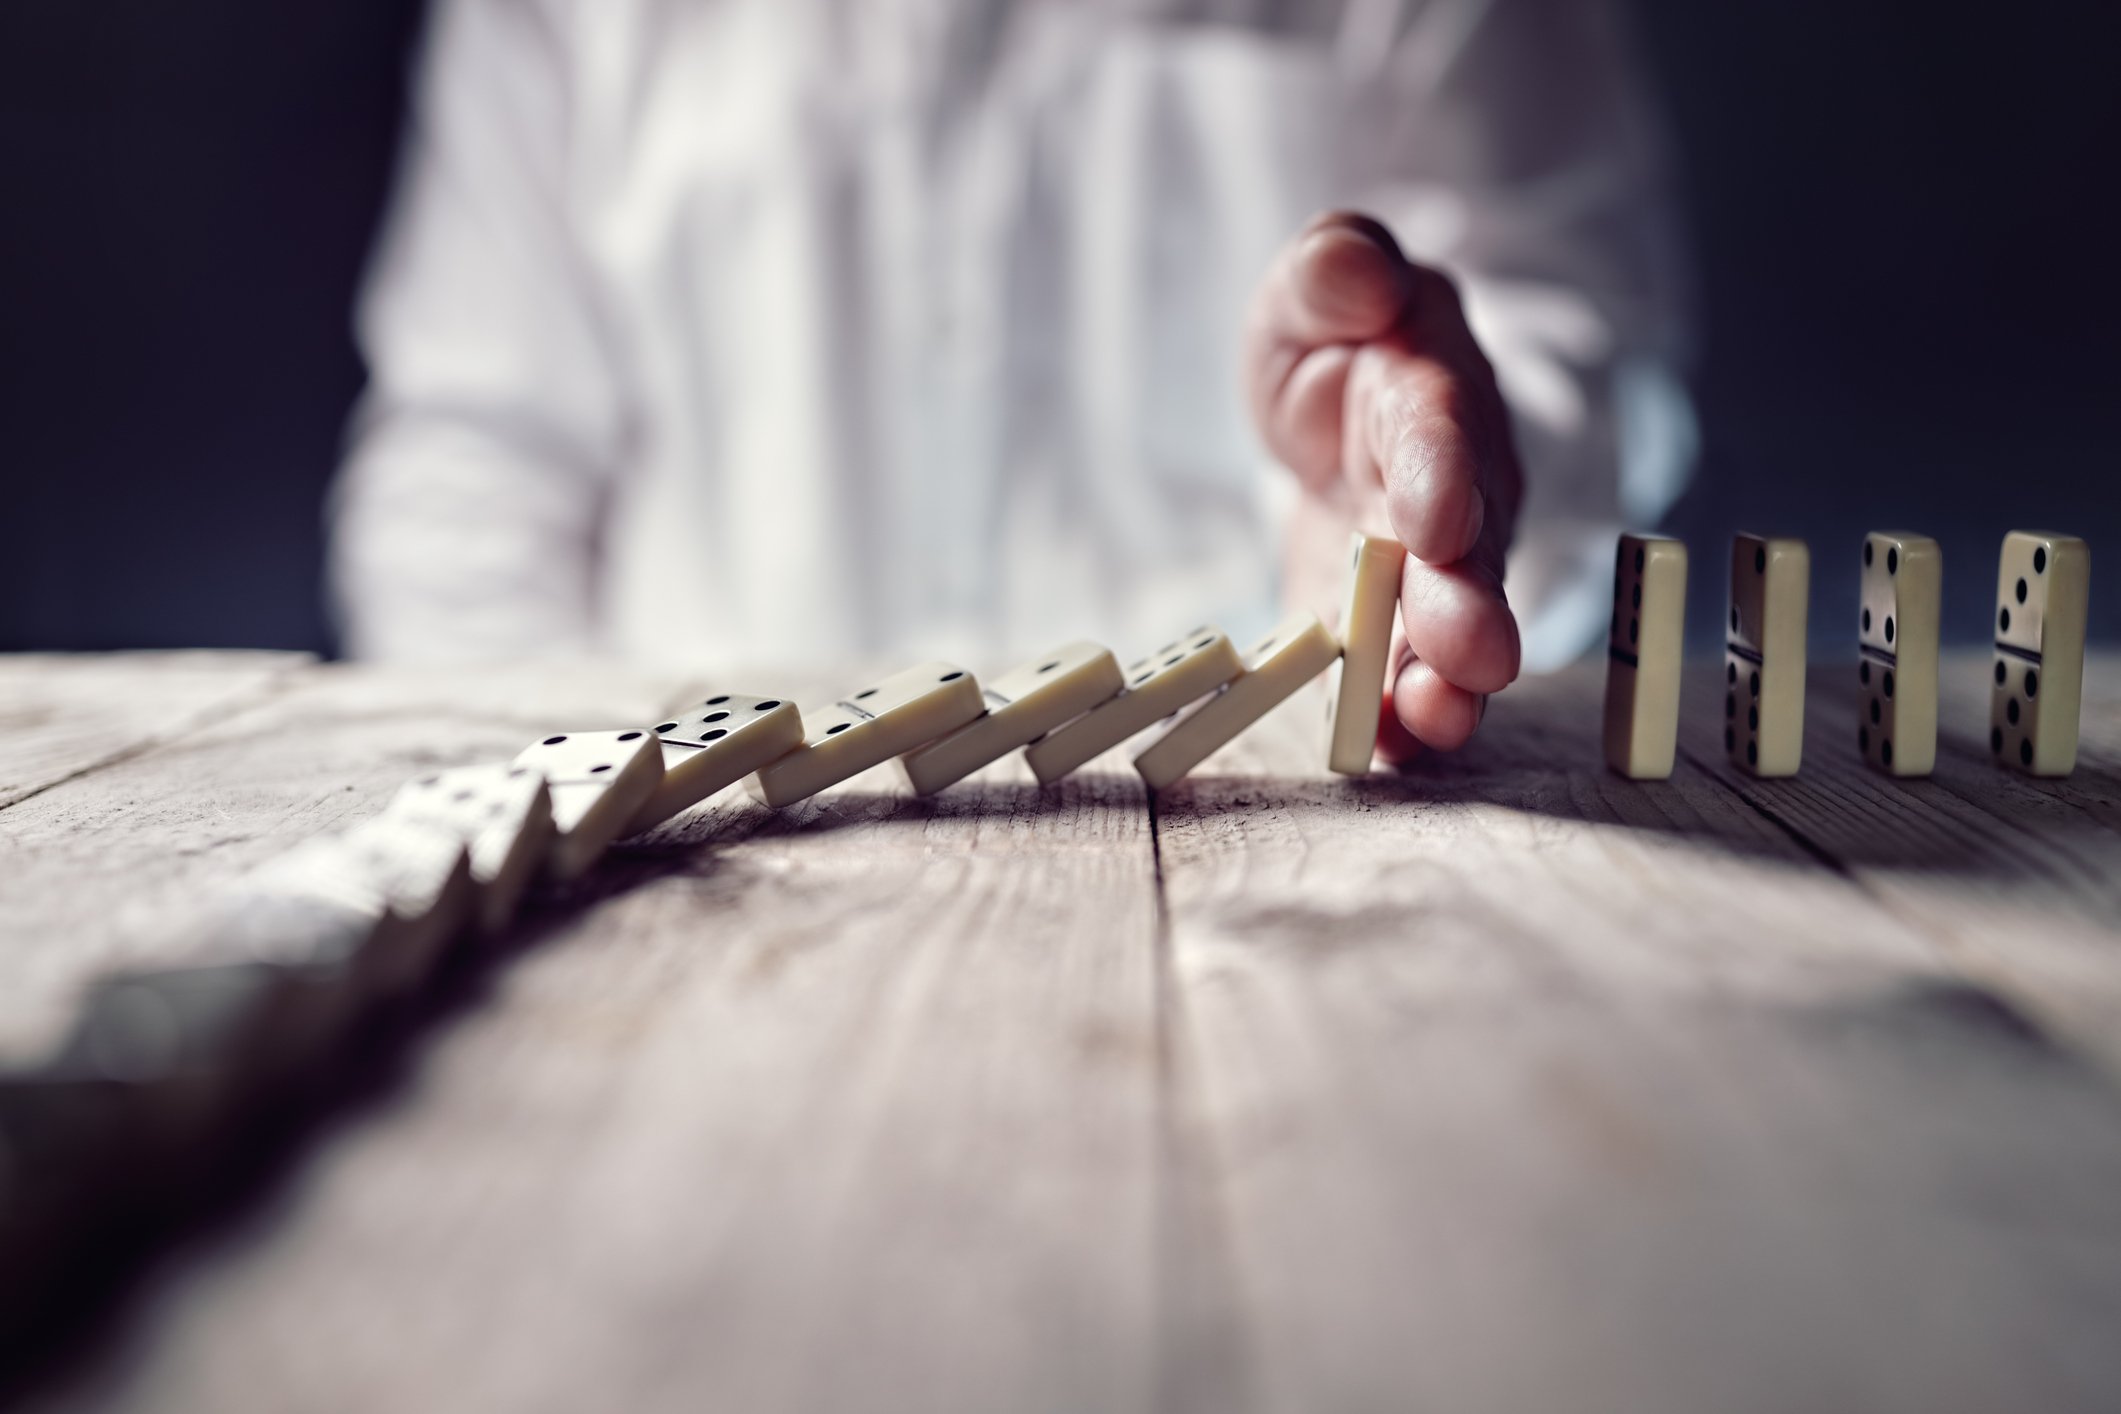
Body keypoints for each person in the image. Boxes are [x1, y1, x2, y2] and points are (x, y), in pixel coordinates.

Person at [330, 0, 1692, 761]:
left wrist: (1450, 502)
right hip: (685, 869)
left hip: (1265, 867)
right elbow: (471, 472)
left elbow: (1579, 347)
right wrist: (573, 820)